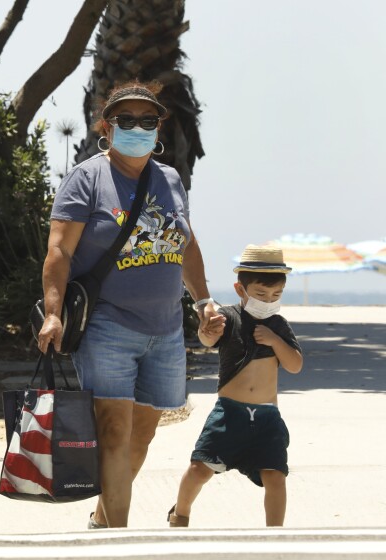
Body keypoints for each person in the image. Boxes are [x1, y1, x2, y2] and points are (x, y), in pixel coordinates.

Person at [37, 80, 224, 529]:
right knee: (115, 433)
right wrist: (52, 312)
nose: (137, 128)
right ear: (107, 126)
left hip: (165, 332)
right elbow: (59, 252)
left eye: (147, 120)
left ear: (159, 128)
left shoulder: (170, 179)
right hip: (107, 328)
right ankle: (117, 542)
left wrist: (204, 302)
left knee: (140, 438)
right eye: (126, 120)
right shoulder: (88, 178)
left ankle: (101, 524)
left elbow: (187, 247)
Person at [168, 245, 303, 527]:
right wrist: (206, 331)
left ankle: (274, 533)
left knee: (275, 476)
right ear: (240, 289)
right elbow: (208, 338)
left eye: (276, 295)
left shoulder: (278, 325)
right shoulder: (229, 317)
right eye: (261, 294)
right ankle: (180, 514)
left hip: (267, 418)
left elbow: (294, 364)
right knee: (199, 468)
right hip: (229, 413)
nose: (268, 301)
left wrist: (275, 341)